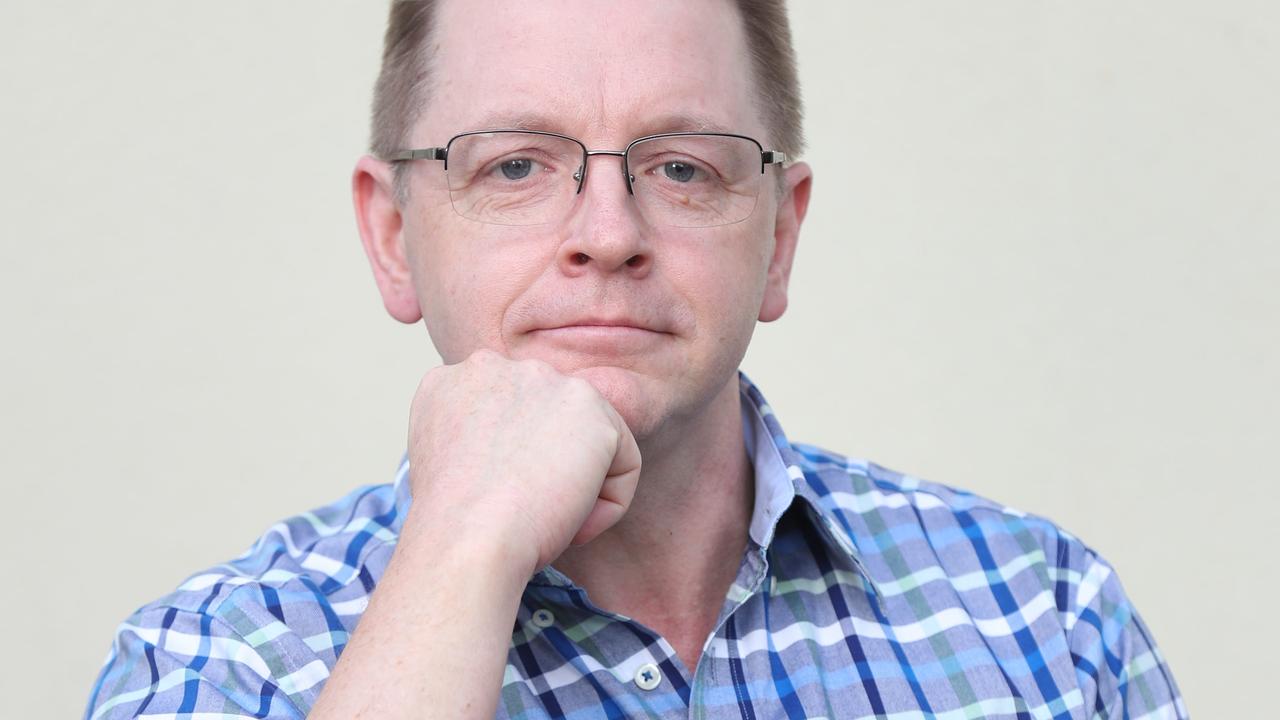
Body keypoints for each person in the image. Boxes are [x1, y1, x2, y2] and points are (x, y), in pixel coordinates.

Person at [85, 1, 1186, 718]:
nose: (606, 231)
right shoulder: (212, 664)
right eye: (514, 166)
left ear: (778, 235)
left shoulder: (1045, 619)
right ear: (391, 236)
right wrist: (466, 550)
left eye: (682, 168)